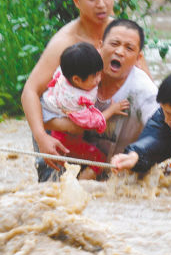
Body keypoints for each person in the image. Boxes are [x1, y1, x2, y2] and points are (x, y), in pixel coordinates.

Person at [21, 0, 152, 179]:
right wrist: (41, 137)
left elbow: (146, 92)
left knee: (108, 188)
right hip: (59, 129)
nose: (101, 4)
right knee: (54, 192)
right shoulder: (65, 42)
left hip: (101, 125)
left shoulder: (122, 35)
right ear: (76, 1)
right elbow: (30, 92)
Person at [29, 19, 158, 181]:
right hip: (71, 148)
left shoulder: (145, 92)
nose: (119, 52)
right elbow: (37, 105)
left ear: (138, 58)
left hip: (120, 166)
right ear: (100, 45)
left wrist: (138, 154)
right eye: (115, 43)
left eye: (129, 48)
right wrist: (62, 127)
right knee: (51, 188)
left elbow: (162, 132)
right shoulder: (76, 68)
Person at [41, 42, 129, 177]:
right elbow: (92, 122)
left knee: (73, 169)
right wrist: (112, 110)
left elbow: (87, 61)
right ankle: (82, 186)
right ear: (76, 79)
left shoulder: (67, 73)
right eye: (95, 77)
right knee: (99, 160)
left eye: (99, 73)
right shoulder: (74, 101)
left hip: (61, 136)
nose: (99, 79)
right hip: (67, 142)